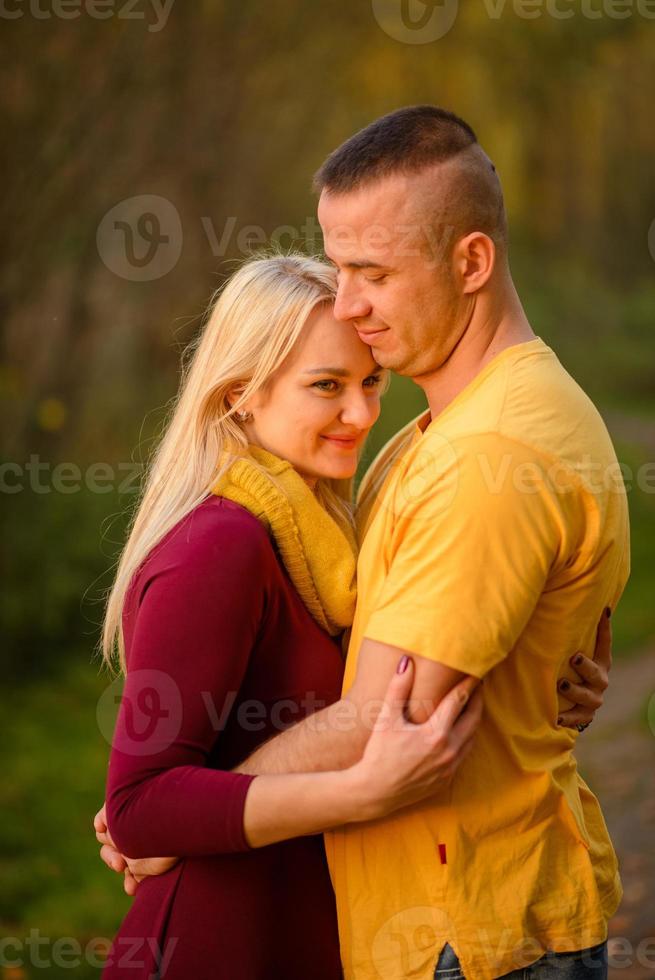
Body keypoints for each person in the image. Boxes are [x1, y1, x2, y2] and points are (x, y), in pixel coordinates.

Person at [96, 107, 621, 979]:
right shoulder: (403, 456)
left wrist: (168, 826)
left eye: (371, 271)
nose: (350, 304)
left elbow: (385, 713)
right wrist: (160, 817)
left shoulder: (480, 454)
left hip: (462, 927)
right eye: (326, 384)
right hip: (322, 928)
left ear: (472, 263)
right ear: (240, 395)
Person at [97, 253, 486, 979]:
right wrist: (359, 790)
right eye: (326, 387)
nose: (362, 414)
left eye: (370, 382)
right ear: (241, 394)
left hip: (303, 930)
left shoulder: (323, 536)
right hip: (221, 944)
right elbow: (140, 809)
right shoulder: (220, 544)